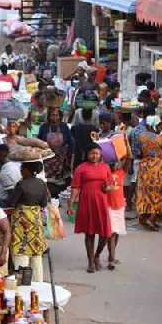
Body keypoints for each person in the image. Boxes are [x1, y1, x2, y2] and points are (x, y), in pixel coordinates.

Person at [68, 143, 113, 273]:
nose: (94, 156)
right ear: (87, 155)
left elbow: (109, 185)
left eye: (97, 153)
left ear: (100, 155)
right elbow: (75, 188)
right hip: (86, 203)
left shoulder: (105, 167)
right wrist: (71, 204)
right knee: (89, 233)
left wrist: (108, 188)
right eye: (92, 153)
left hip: (102, 203)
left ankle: (97, 255)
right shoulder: (81, 168)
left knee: (105, 234)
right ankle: (90, 262)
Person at [8, 161, 48, 282]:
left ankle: (23, 284)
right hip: (36, 221)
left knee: (21, 253)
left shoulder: (21, 184)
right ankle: (38, 284)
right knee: (36, 256)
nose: (21, 172)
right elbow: (44, 203)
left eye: (22, 169)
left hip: (21, 222)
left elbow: (11, 202)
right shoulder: (42, 183)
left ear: (27, 170)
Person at [135, 117, 162, 231]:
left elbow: (138, 152)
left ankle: (143, 219)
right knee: (158, 194)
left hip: (145, 167)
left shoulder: (141, 137)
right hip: (157, 169)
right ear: (154, 126)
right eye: (159, 125)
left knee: (145, 193)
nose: (161, 128)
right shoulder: (160, 138)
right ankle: (152, 219)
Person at [38, 107, 73, 196]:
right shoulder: (44, 127)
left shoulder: (64, 127)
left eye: (56, 115)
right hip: (47, 158)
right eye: (52, 115)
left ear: (60, 116)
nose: (54, 117)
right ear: (49, 116)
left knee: (61, 181)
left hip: (61, 158)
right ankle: (49, 196)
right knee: (48, 180)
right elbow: (39, 142)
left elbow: (71, 142)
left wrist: (70, 156)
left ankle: (60, 196)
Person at [0, 144, 22, 209]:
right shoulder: (17, 164)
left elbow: (10, 193)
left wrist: (12, 205)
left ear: (0, 156)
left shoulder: (5, 173)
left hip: (4, 202)